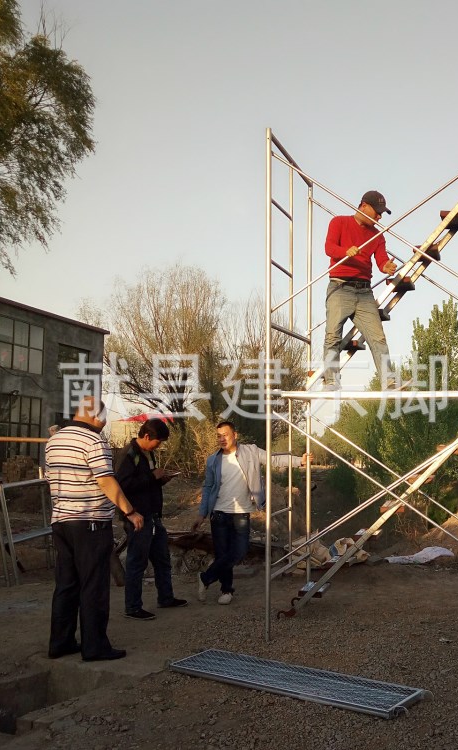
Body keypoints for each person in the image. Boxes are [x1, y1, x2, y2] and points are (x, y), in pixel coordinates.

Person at [46, 396, 144, 662]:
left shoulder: (54, 441)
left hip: (62, 523)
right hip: (90, 522)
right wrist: (130, 511)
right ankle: (95, 646)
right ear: (97, 417)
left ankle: (61, 642)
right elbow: (106, 482)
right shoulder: (94, 441)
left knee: (66, 584)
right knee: (94, 585)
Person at [192, 421, 311, 605]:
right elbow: (207, 487)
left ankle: (205, 578)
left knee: (240, 551)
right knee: (223, 554)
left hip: (241, 513)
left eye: (226, 434)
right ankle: (226, 589)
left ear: (235, 435)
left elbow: (274, 459)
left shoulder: (251, 452)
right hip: (219, 513)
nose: (222, 439)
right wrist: (201, 514)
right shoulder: (213, 460)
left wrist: (299, 461)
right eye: (219, 436)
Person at [323, 189, 400, 389]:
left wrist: (387, 267)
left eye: (382, 213)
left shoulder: (377, 236)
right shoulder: (339, 222)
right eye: (378, 211)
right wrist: (344, 251)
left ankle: (389, 381)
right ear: (364, 206)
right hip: (340, 287)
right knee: (333, 335)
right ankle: (331, 380)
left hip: (365, 292)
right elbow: (329, 248)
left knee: (378, 337)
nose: (380, 216)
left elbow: (381, 259)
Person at [115, 418, 187, 620]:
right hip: (138, 517)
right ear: (147, 436)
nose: (159, 445)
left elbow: (146, 483)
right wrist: (152, 477)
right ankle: (133, 607)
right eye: (158, 441)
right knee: (137, 563)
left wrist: (161, 480)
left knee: (162, 559)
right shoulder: (129, 455)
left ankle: (166, 597)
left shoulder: (148, 454)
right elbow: (121, 486)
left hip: (153, 515)